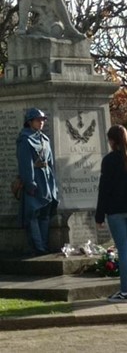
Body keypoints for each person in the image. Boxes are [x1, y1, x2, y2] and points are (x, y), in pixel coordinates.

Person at [95, 125, 127, 303]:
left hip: (116, 209)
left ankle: (124, 291)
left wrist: (99, 215)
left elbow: (104, 189)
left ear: (112, 141)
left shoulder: (109, 160)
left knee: (123, 249)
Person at [17, 107, 58, 256]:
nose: (41, 123)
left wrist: (53, 184)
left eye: (42, 120)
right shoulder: (25, 139)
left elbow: (51, 163)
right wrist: (30, 183)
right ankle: (38, 247)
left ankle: (44, 245)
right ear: (30, 122)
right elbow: (25, 164)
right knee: (33, 213)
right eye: (38, 120)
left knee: (45, 214)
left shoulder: (45, 139)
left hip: (46, 180)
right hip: (35, 181)